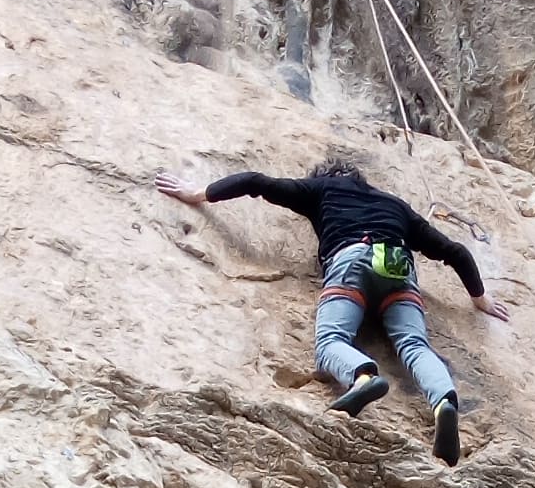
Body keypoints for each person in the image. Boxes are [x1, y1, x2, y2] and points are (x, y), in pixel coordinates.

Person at [156, 156, 509, 464]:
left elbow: (255, 182)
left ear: (325, 176)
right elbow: (456, 251)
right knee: (414, 345)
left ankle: (363, 377)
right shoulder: (396, 205)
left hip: (351, 261)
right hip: (399, 270)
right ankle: (444, 402)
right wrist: (480, 299)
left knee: (330, 342)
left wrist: (197, 193)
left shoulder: (321, 189)